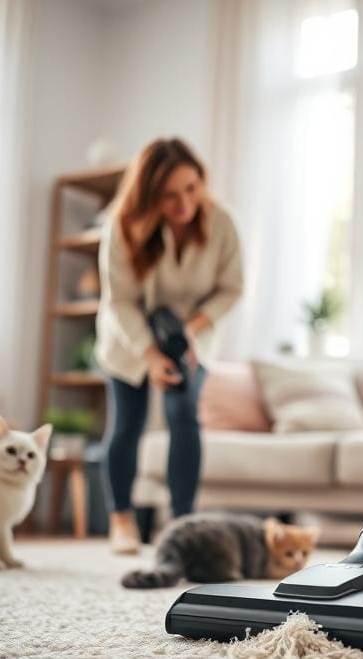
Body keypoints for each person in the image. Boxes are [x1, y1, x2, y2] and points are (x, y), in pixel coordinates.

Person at [95, 138, 242, 554]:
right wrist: (148, 352)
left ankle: (182, 524)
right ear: (149, 195)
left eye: (191, 189)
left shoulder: (221, 223)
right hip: (129, 339)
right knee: (127, 423)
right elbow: (119, 300)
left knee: (183, 414)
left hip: (190, 338)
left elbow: (232, 288)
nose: (184, 203)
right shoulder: (122, 226)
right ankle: (121, 519)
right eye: (170, 195)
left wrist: (191, 329)